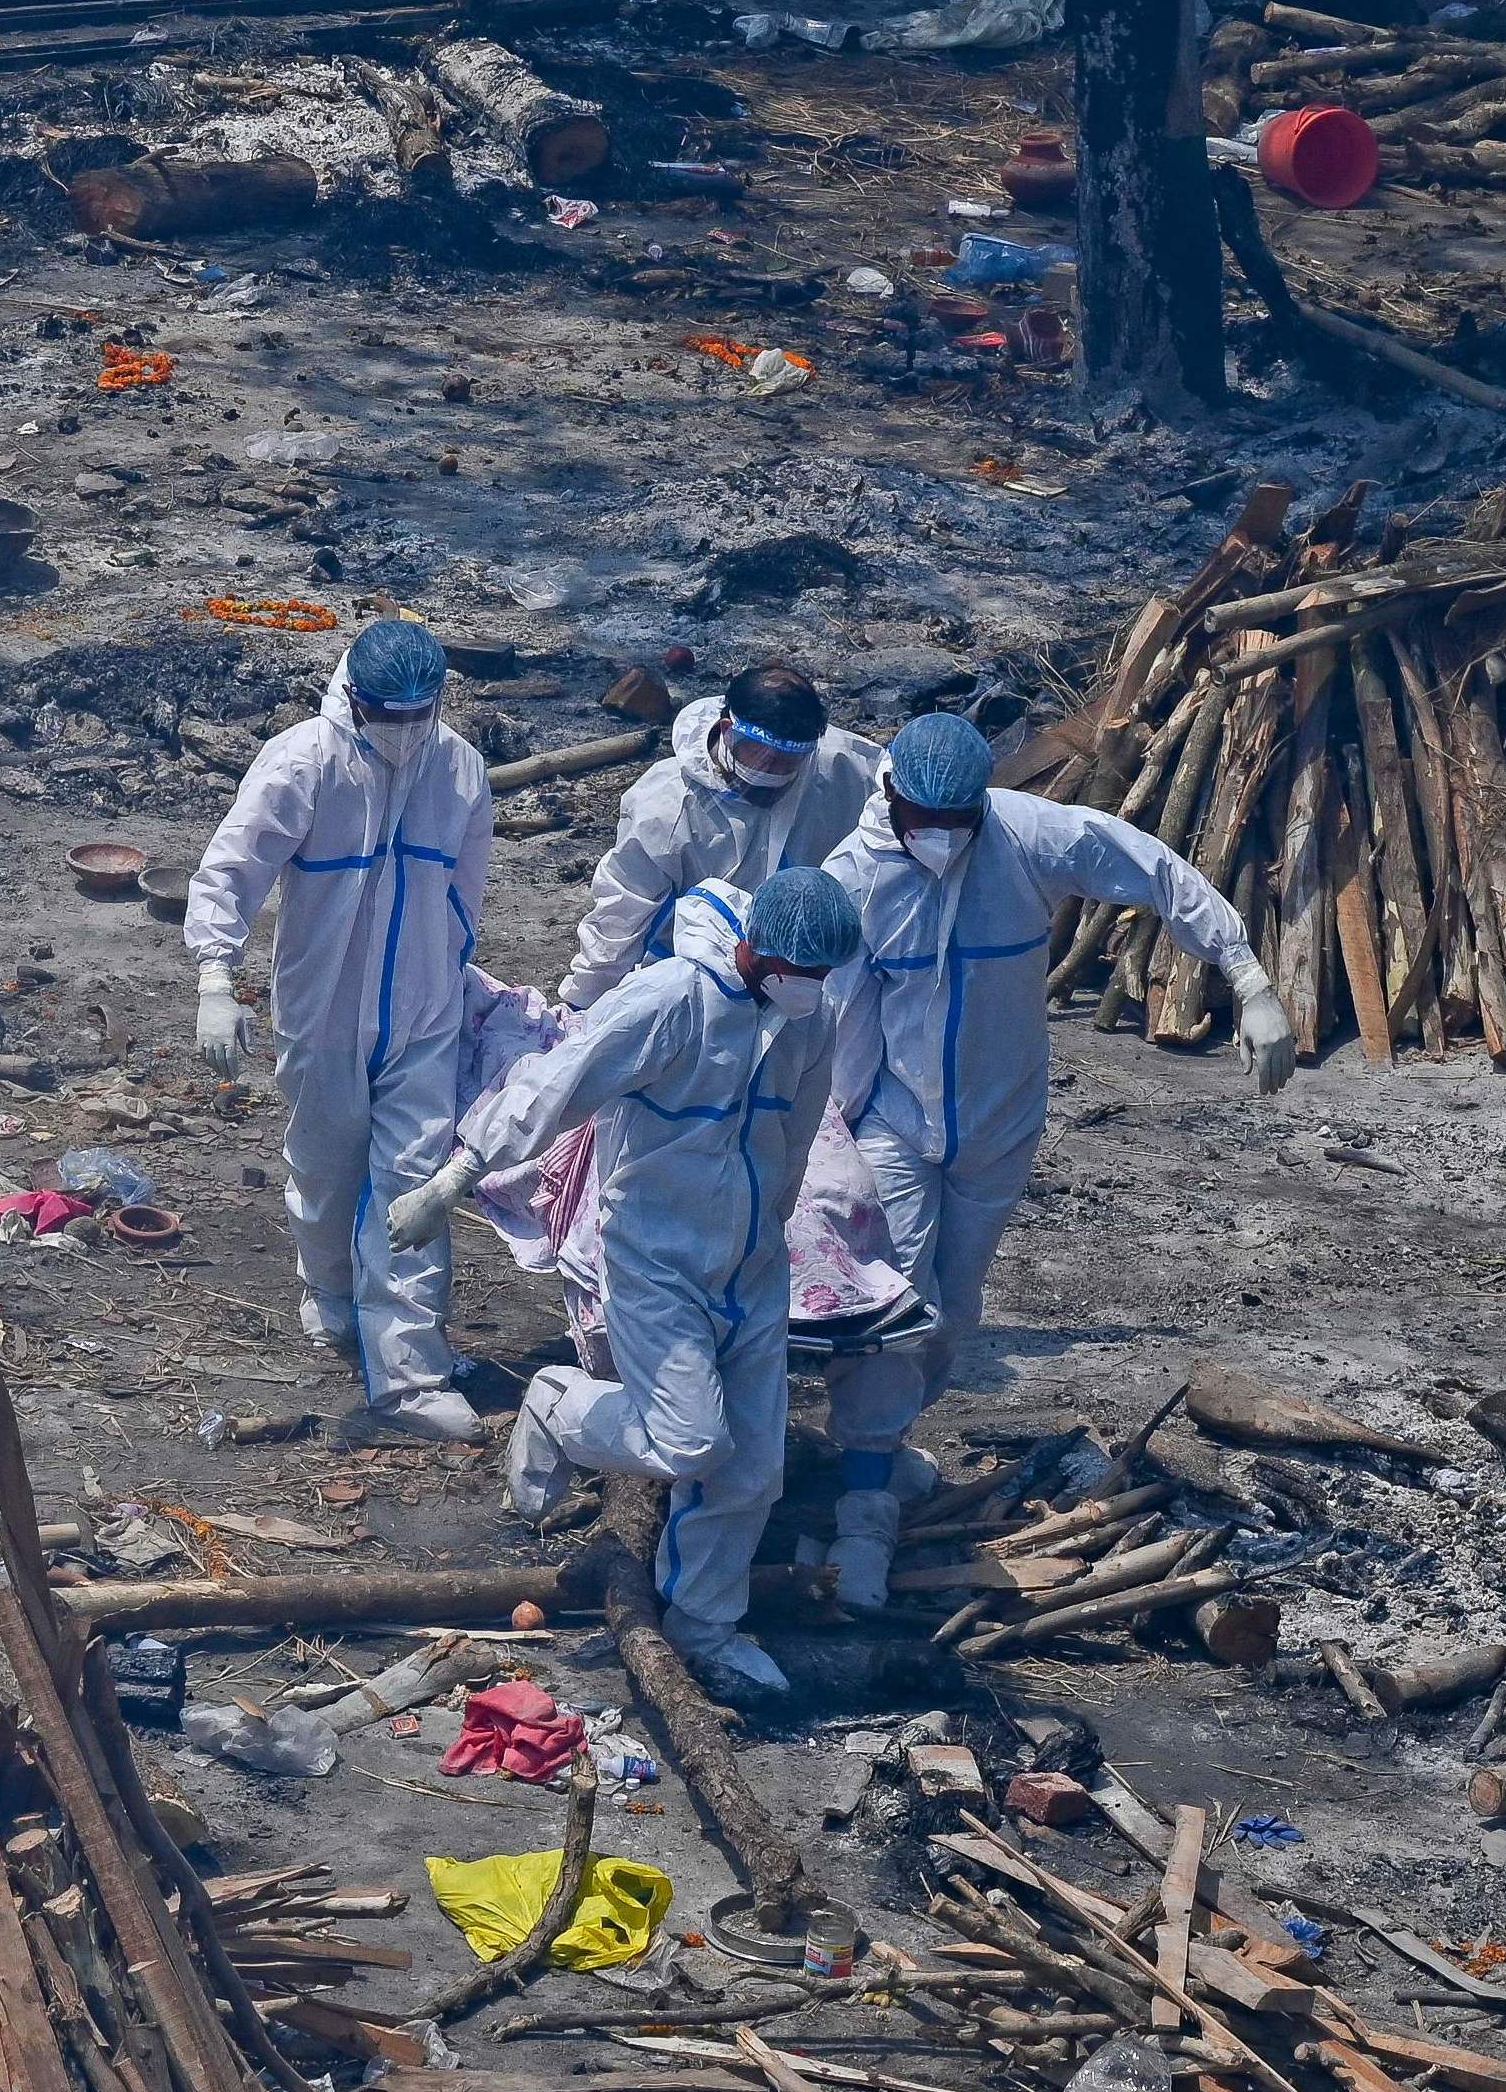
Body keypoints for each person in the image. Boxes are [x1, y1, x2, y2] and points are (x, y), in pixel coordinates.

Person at [816, 713, 1294, 1606]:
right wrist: (824, 1136)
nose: (939, 838)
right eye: (923, 817)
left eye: (953, 821)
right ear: (890, 796)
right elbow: (834, 1023)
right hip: (893, 1119)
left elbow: (1156, 870)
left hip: (1000, 1120)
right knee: (892, 1301)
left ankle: (875, 1445)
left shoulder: (1027, 835)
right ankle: (862, 1504)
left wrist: (1246, 976)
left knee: (953, 1309)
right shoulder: (856, 876)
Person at [389, 866, 866, 1696]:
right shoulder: (672, 999)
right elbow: (556, 1082)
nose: (814, 988)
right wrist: (455, 1176)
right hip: (656, 1259)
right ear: (759, 948)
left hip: (751, 1262)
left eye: (824, 976)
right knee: (689, 1444)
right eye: (804, 971)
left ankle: (701, 1628)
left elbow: (795, 1135)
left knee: (753, 1470)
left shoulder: (804, 1018)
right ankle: (558, 1405)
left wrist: (777, 1239)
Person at [188, 618, 497, 1441]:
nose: (401, 732)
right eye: (385, 714)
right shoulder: (302, 762)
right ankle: (327, 1291)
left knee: (412, 1180)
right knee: (327, 1163)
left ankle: (408, 1375)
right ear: (354, 698)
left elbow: (466, 892)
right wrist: (217, 975)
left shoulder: (459, 767)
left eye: (416, 715)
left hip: (424, 1008)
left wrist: (456, 978)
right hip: (323, 1007)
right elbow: (233, 867)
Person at [557, 663, 882, 1015]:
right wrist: (584, 1003)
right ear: (728, 730)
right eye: (764, 756)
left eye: (790, 761)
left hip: (809, 978)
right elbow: (622, 915)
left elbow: (901, 802)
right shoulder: (666, 807)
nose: (774, 773)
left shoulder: (841, 767)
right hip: (698, 987)